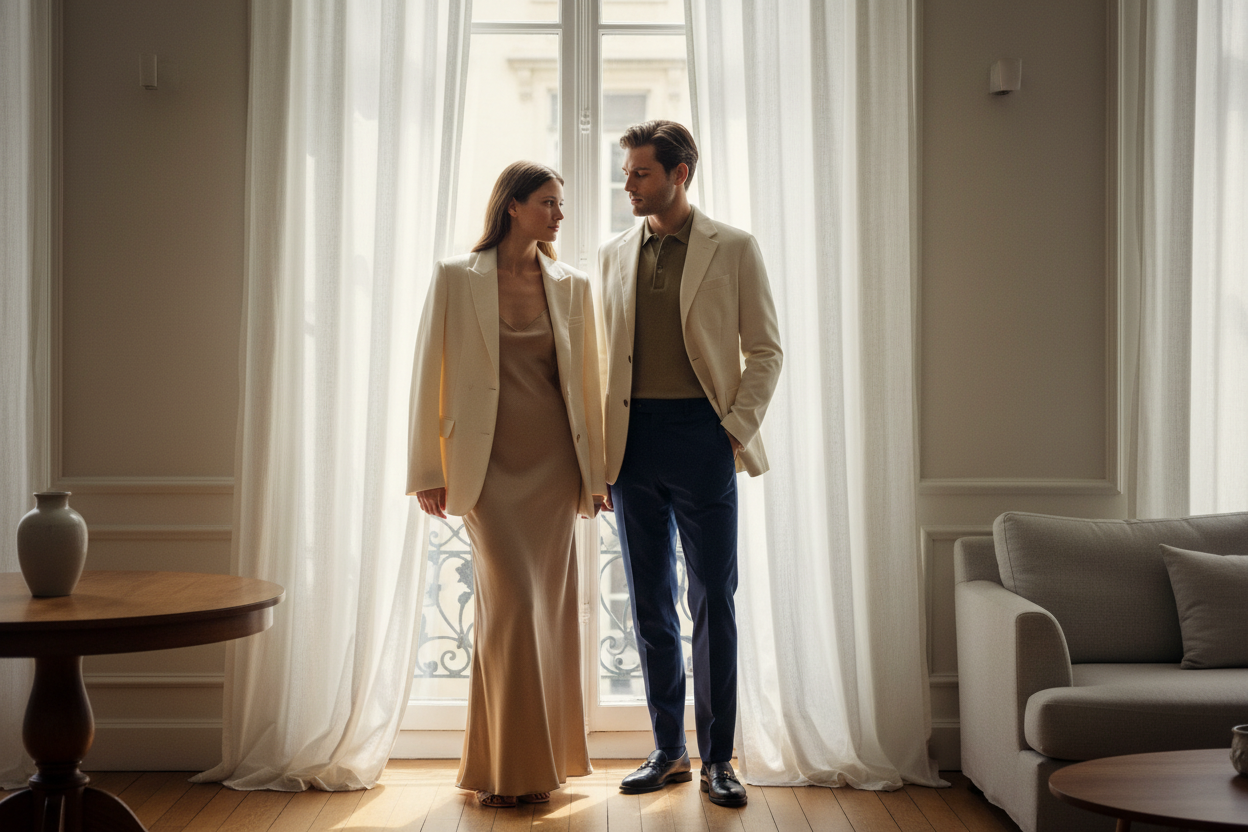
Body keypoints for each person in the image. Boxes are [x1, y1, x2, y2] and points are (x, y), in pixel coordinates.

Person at [407, 161, 607, 808]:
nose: (559, 214)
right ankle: (506, 769)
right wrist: (427, 470)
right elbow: (428, 373)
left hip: (554, 465)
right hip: (486, 468)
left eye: (561, 204)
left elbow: (591, 385)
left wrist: (597, 474)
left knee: (545, 612)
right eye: (548, 202)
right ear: (513, 206)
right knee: (512, 610)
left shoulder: (573, 286)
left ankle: (536, 766)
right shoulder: (454, 277)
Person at [596, 121, 782, 807]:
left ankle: (718, 759)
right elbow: (599, 358)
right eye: (627, 172)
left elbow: (766, 350)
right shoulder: (613, 254)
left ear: (680, 174)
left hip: (704, 438)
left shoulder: (733, 247)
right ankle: (669, 750)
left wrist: (732, 432)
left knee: (713, 601)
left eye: (640, 173)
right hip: (631, 444)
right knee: (649, 603)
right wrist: (599, 456)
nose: (628, 184)